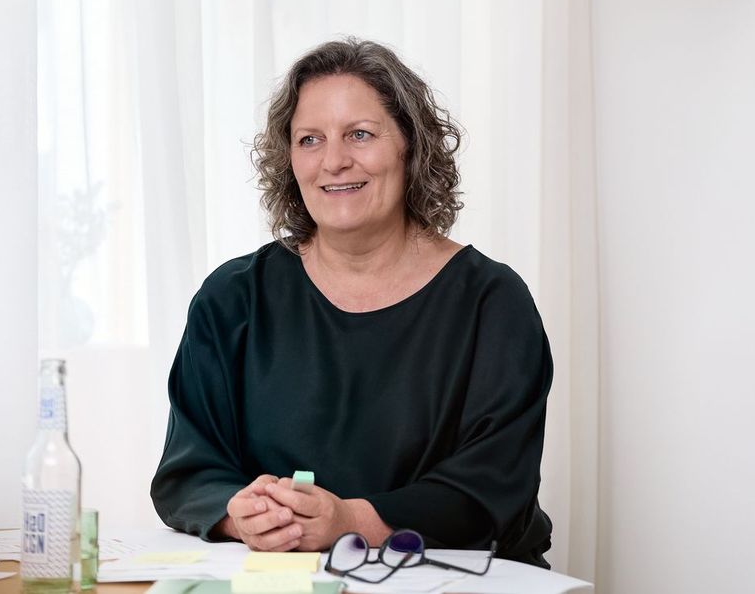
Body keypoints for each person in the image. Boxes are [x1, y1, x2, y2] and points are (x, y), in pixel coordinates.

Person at [150, 38, 553, 567]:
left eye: (359, 134)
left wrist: (350, 523)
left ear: (411, 146)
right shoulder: (232, 298)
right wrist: (240, 514)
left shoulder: (492, 303)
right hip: (289, 579)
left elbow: (493, 488)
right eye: (310, 139)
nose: (334, 161)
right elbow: (188, 470)